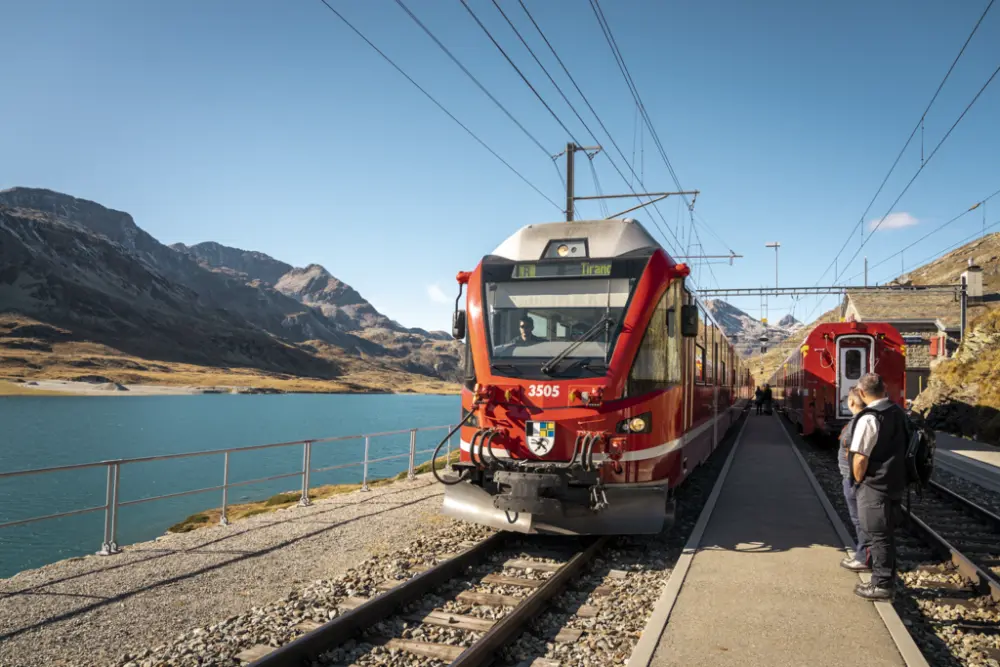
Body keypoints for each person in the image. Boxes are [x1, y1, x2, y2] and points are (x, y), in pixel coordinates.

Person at [849, 373, 911, 601]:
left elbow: (860, 458)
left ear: (862, 393)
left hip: (874, 485)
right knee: (886, 534)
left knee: (877, 535)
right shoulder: (898, 412)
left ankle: (882, 585)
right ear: (884, 389)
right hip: (894, 481)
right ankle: (884, 580)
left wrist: (858, 480)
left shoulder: (869, 418)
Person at [839, 387, 871, 573]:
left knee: (860, 520)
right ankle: (864, 556)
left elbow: (859, 456)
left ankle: (863, 558)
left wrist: (856, 480)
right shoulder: (861, 420)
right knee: (860, 520)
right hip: (852, 478)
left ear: (851, 402)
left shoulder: (860, 422)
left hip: (854, 480)